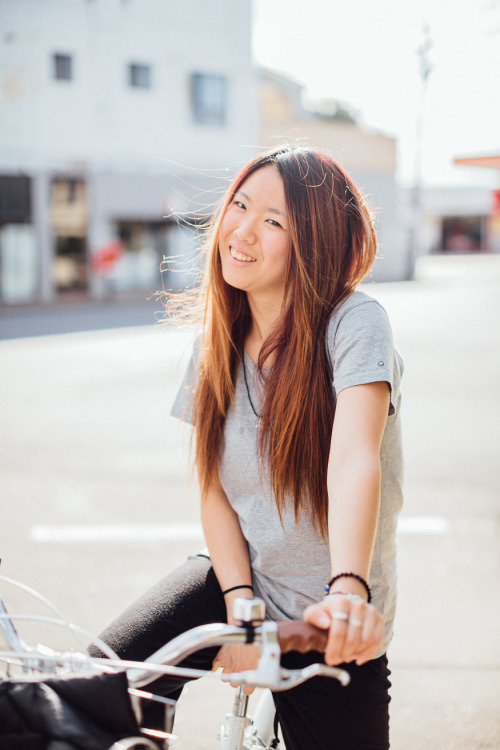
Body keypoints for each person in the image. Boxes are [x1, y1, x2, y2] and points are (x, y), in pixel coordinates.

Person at [92, 145, 404, 750]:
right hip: (239, 580)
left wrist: (346, 591)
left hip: (326, 622)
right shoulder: (217, 342)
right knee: (98, 682)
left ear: (314, 241)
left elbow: (354, 457)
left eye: (274, 221)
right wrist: (239, 605)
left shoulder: (354, 322)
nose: (243, 230)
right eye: (240, 205)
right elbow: (214, 489)